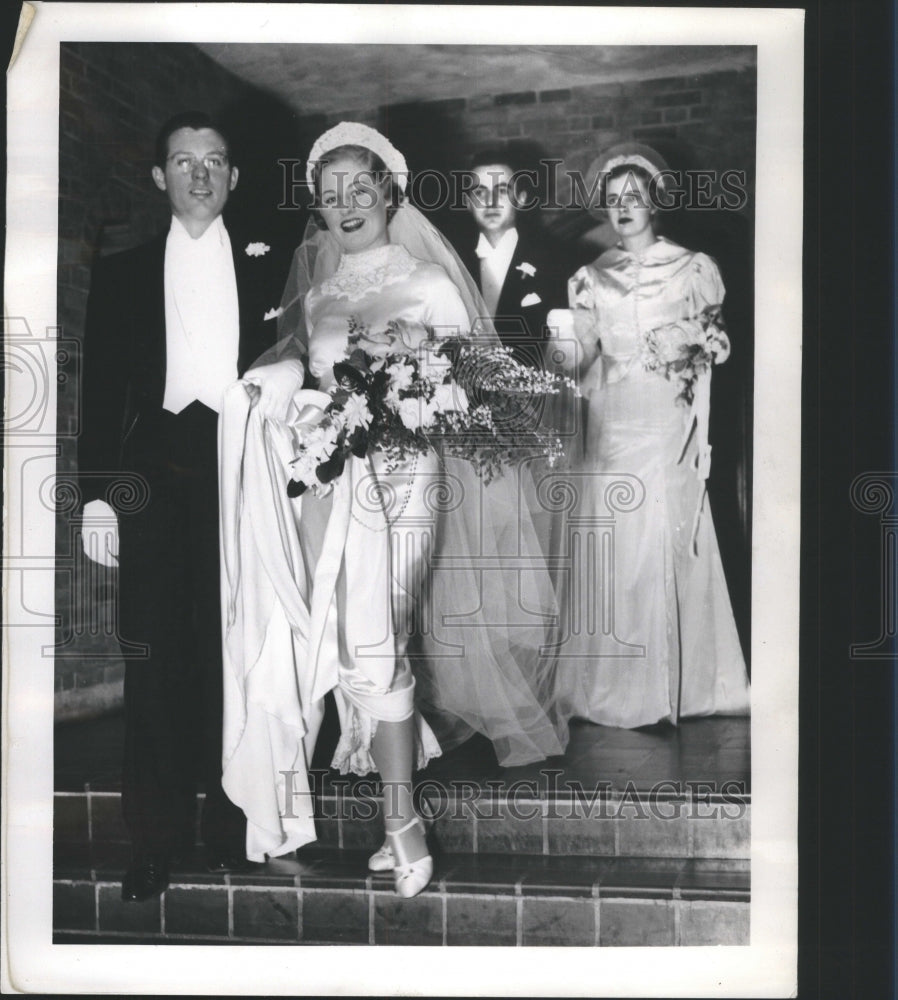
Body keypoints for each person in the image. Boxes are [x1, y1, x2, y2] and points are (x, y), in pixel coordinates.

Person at [218, 123, 569, 897]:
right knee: (323, 633)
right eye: (329, 193)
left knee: (377, 634)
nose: (345, 205)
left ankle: (404, 825)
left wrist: (413, 376)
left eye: (359, 188)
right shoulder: (313, 290)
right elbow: (297, 361)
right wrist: (274, 372)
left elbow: (472, 391)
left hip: (406, 475)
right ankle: (330, 813)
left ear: (389, 192)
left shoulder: (432, 282)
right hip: (326, 475)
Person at [78, 110, 299, 902]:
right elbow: (99, 393)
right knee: (154, 657)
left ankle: (237, 827)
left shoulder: (275, 266)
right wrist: (98, 498)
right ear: (159, 177)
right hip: (153, 480)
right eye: (183, 161)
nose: (199, 174)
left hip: (245, 476)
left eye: (214, 161)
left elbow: (300, 364)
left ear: (234, 178)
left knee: (235, 654)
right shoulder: (124, 270)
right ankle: (155, 839)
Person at [546, 143, 750, 728]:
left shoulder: (693, 267)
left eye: (634, 197)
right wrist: (561, 350)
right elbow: (580, 354)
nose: (623, 208)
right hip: (610, 415)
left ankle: (677, 685)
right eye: (613, 200)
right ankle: (611, 683)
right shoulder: (590, 276)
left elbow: (717, 343)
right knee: (612, 536)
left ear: (655, 200)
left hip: (665, 417)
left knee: (660, 532)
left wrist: (685, 338)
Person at [458, 147, 570, 367]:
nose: (490, 202)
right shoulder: (453, 263)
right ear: (467, 202)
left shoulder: (554, 263)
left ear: (521, 198)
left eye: (501, 191)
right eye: (480, 192)